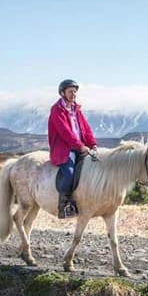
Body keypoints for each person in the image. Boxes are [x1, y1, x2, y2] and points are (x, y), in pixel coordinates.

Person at [48, 79, 98, 219]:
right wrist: (80, 146)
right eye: (70, 91)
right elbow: (65, 133)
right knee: (69, 173)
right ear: (62, 93)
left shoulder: (76, 109)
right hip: (64, 149)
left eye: (75, 91)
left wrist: (92, 144)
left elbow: (86, 129)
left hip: (80, 147)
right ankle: (64, 205)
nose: (73, 94)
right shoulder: (57, 110)